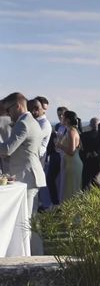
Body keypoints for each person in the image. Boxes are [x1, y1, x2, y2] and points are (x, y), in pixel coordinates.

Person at [0, 93, 46, 233]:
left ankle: (31, 252)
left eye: (8, 110)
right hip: (30, 175)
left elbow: (8, 149)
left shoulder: (23, 123)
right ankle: (35, 251)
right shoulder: (31, 121)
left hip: (27, 176)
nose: (8, 114)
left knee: (26, 221)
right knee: (31, 219)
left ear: (18, 106)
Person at [57, 110, 83, 201]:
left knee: (70, 190)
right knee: (68, 188)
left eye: (63, 117)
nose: (61, 118)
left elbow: (71, 151)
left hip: (72, 163)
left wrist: (60, 145)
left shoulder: (71, 131)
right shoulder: (72, 130)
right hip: (70, 162)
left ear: (67, 120)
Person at [27, 98, 51, 166]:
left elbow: (33, 139)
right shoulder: (33, 121)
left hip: (37, 159)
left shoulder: (44, 124)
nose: (44, 111)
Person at [80, 117, 100, 188]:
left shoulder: (84, 135)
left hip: (87, 159)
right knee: (97, 180)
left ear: (90, 125)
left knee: (86, 181)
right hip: (98, 159)